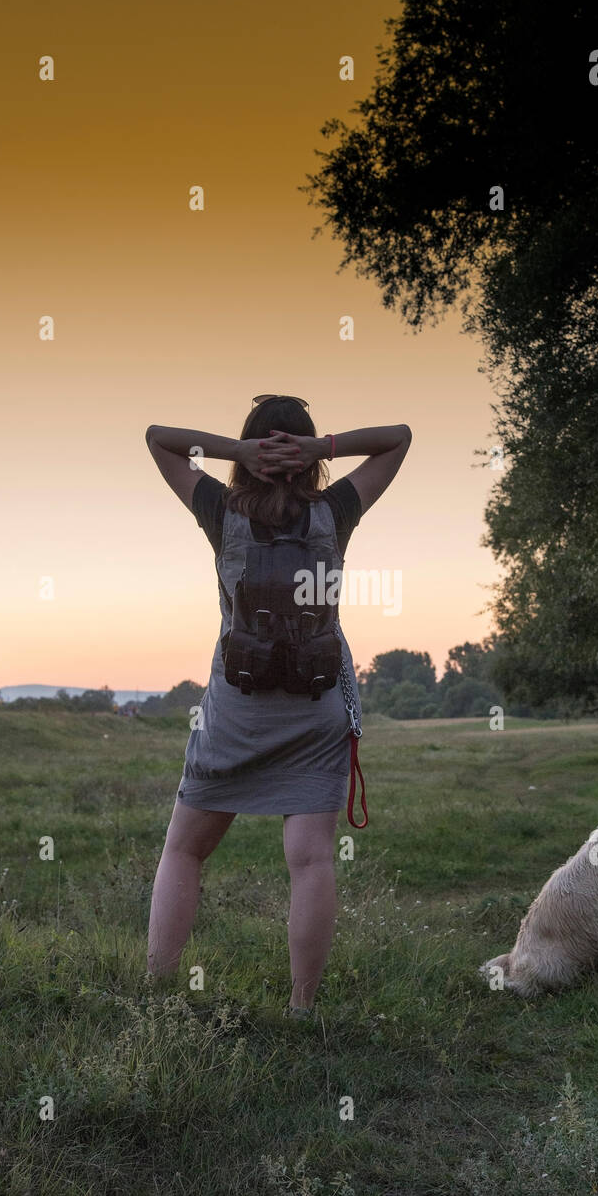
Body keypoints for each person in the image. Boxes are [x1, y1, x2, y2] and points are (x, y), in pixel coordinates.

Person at [144, 394, 411, 1017]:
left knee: (184, 849)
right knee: (312, 858)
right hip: (316, 706)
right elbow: (398, 436)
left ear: (249, 451)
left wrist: (232, 452)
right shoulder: (335, 510)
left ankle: (156, 992)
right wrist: (325, 451)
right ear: (309, 455)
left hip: (235, 709)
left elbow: (158, 437)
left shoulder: (219, 508)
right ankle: (301, 1007)